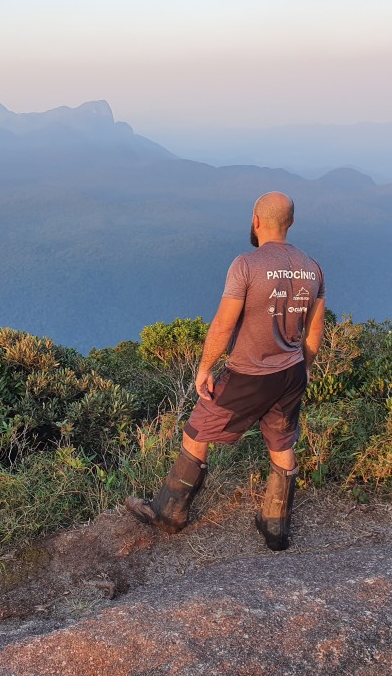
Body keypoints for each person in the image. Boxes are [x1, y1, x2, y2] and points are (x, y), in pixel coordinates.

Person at [125, 191, 325, 551]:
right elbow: (314, 330)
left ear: (255, 220)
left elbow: (222, 324)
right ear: (291, 223)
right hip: (291, 370)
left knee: (197, 432)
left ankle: (170, 513)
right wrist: (304, 369)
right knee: (282, 442)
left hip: (248, 374)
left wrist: (205, 368)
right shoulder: (312, 267)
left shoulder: (246, 265)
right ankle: (276, 528)